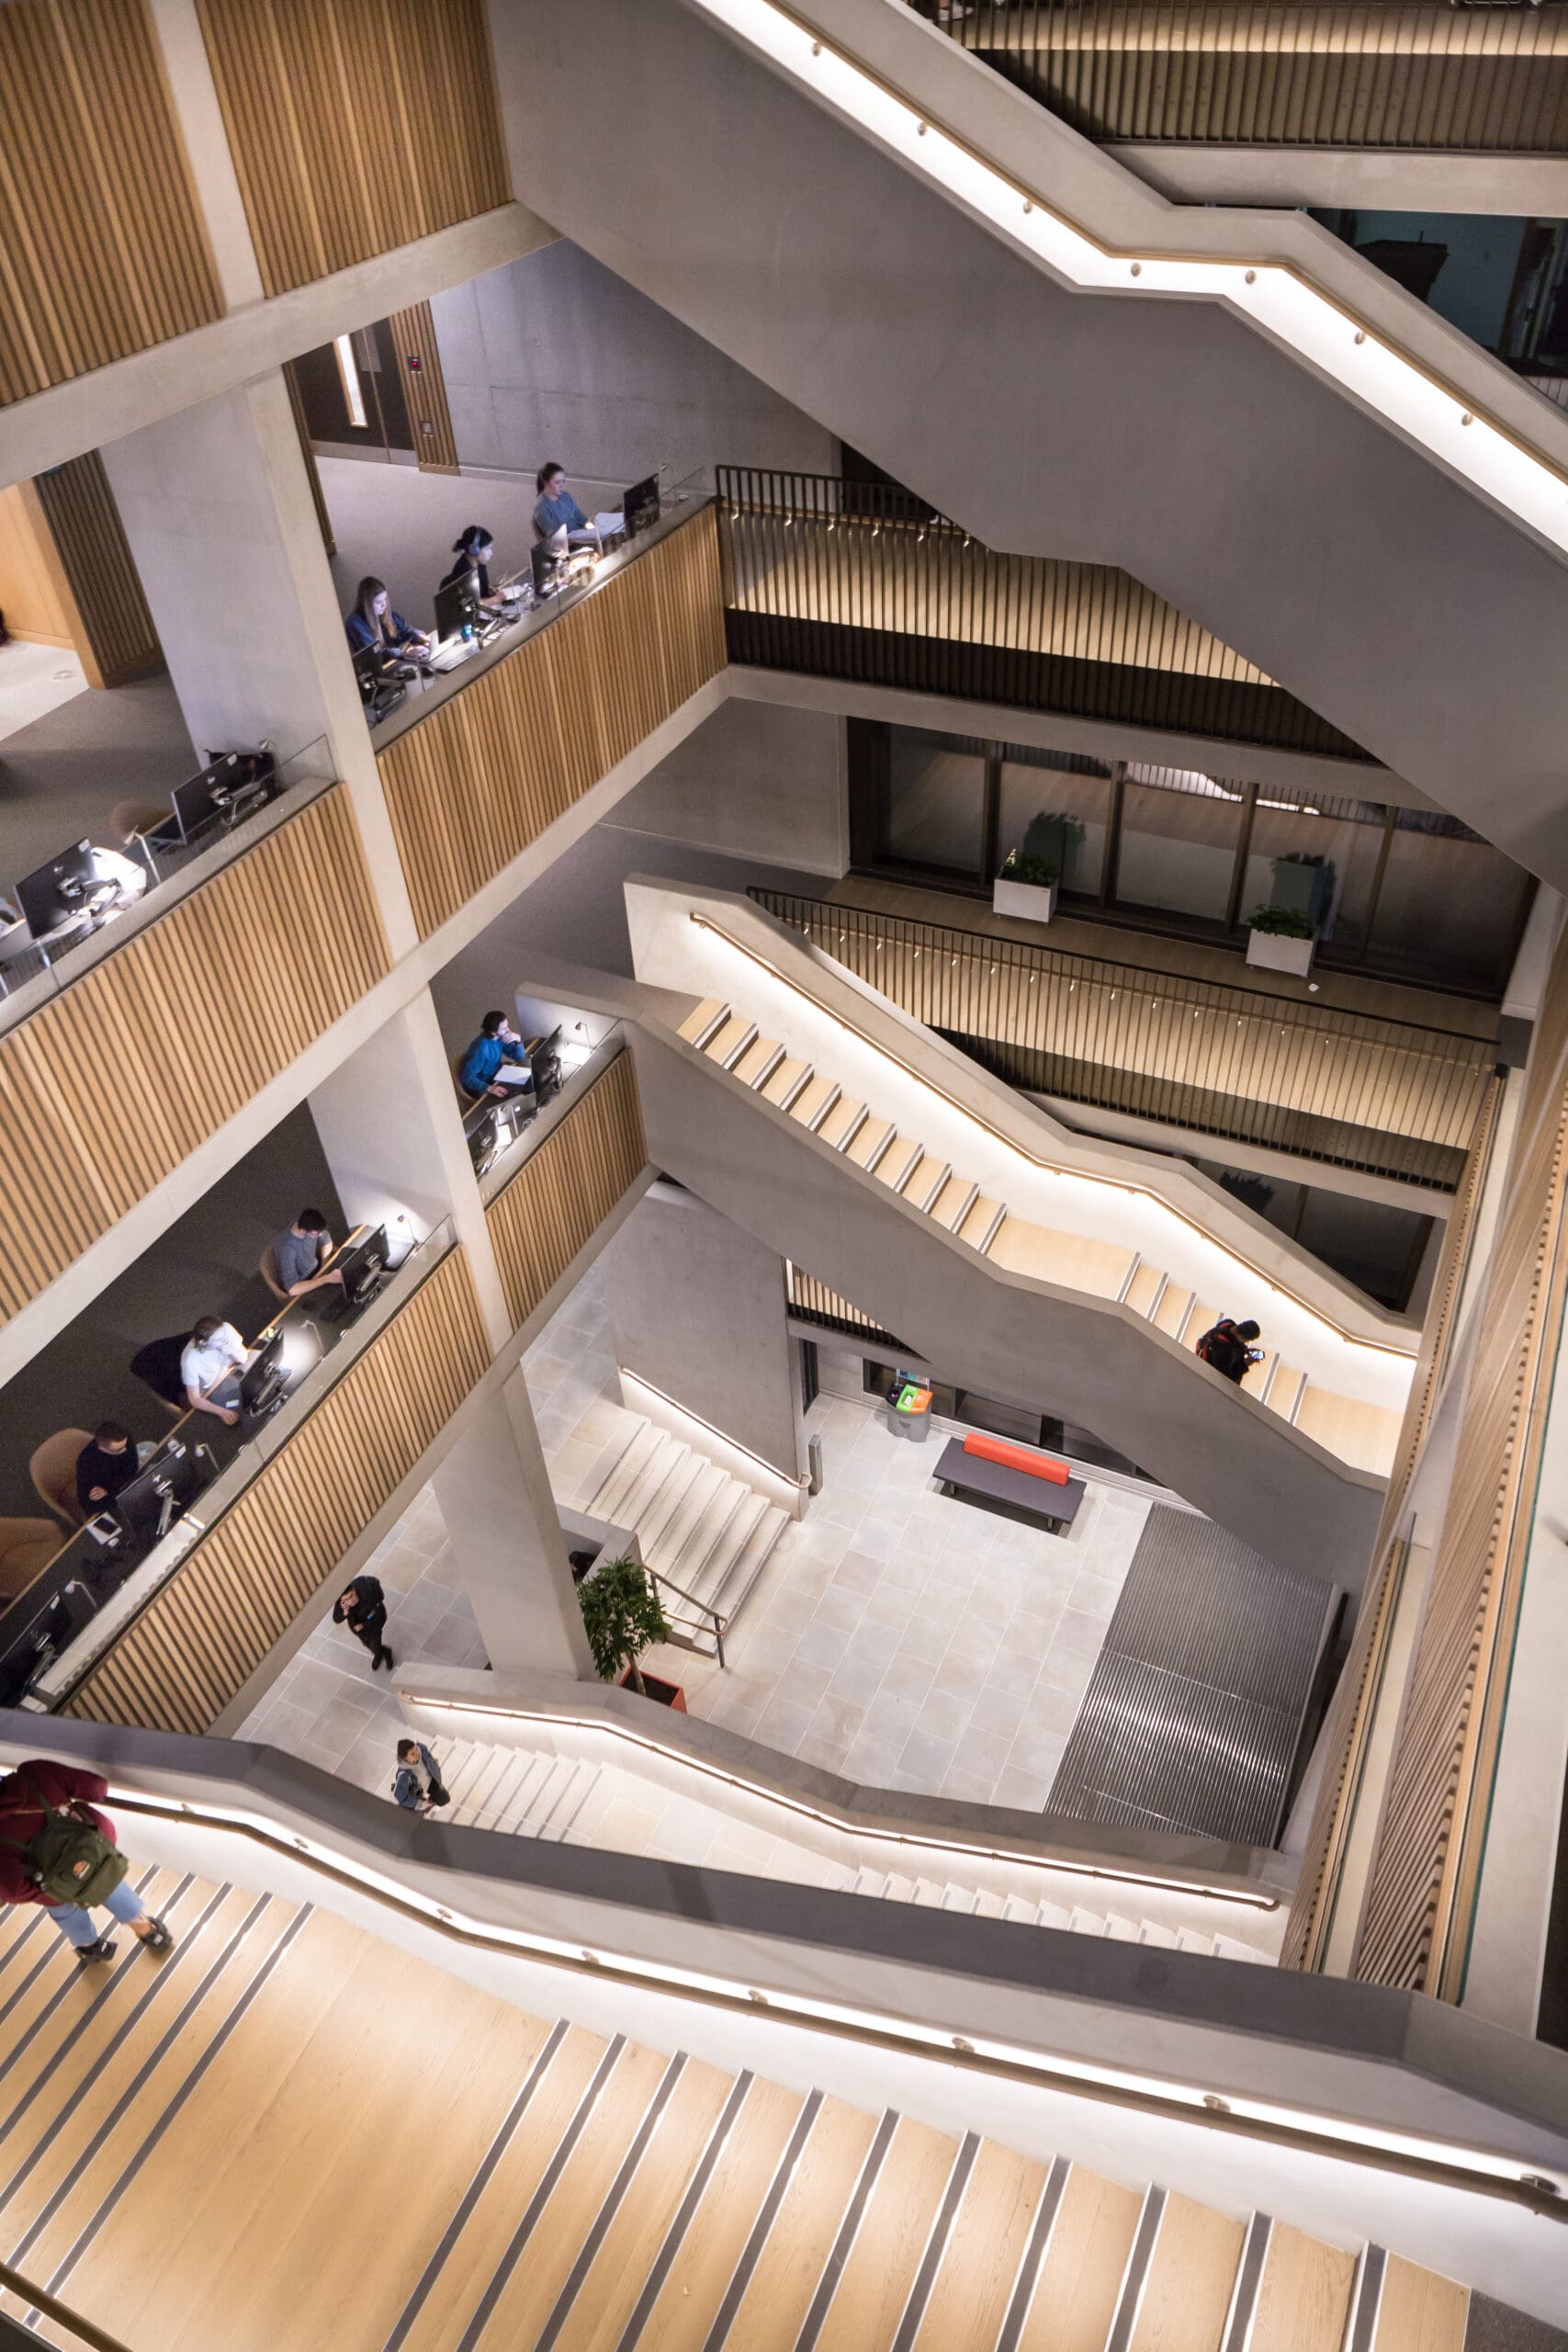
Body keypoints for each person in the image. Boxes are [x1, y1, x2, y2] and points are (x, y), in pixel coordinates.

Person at [0, 1758, 174, 1963]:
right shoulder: (35, 1773)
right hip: (96, 1852)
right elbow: (96, 1787)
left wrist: (50, 1889)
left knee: (64, 1911)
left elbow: (12, 1891)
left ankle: (91, 1947)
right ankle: (149, 1933)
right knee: (109, 1885)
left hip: (54, 1889)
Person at [344, 576, 431, 668]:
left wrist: (421, 637)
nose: (383, 605)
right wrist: (405, 652)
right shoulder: (355, 623)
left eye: (385, 599)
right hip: (381, 670)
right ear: (367, 604)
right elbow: (375, 655)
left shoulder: (386, 613)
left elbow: (405, 631)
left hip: (398, 663)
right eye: (378, 602)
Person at [180, 1315, 249, 1426]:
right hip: (214, 1389)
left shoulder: (225, 1329)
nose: (225, 1341)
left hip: (232, 1372)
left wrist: (231, 1351)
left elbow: (244, 1357)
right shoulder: (190, 1360)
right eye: (219, 1340)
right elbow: (194, 1399)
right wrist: (222, 1412)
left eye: (224, 1336)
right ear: (203, 1343)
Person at [458, 1011, 536, 1103]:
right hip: (483, 1084)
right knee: (508, 1101)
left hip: (497, 1074)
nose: (508, 1030)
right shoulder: (481, 1049)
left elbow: (519, 1057)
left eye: (507, 1026)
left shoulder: (500, 1038)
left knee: (529, 1080)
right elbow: (467, 1078)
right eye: (504, 1028)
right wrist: (489, 1088)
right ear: (493, 1032)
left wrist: (518, 1040)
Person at [272, 1208, 345, 1302]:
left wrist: (325, 1267)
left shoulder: (305, 1222)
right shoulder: (288, 1250)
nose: (320, 1235)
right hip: (305, 1281)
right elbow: (292, 1289)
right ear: (303, 1231)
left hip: (317, 1269)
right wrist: (325, 1279)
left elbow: (326, 1239)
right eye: (317, 1234)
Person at [75, 1421, 141, 1516]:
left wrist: (110, 1489)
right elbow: (90, 1504)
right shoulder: (86, 1464)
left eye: (125, 1445)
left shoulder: (123, 1439)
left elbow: (133, 1467)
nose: (125, 1450)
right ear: (102, 1448)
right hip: (113, 1504)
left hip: (124, 1487)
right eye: (118, 1450)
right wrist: (110, 1492)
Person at [532, 463, 599, 551]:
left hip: (583, 539)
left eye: (563, 481)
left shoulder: (565, 496)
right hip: (570, 548)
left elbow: (580, 517)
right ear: (546, 483)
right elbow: (555, 538)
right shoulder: (541, 509)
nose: (561, 485)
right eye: (557, 482)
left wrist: (590, 523)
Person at [333, 1575, 393, 1672]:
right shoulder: (342, 1602)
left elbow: (377, 1612)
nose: (350, 1601)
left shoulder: (367, 1592)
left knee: (374, 1645)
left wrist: (364, 1625)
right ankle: (379, 1652)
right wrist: (345, 1613)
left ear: (354, 1590)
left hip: (373, 1624)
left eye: (351, 1596)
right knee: (366, 1644)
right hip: (359, 1630)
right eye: (346, 1600)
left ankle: (384, 1652)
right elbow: (336, 1618)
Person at [439, 525, 503, 611]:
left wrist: (489, 589)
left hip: (486, 612)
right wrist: (495, 600)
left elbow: (479, 588)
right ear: (474, 550)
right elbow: (470, 606)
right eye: (488, 549)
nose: (491, 553)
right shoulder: (462, 572)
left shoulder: (480, 564)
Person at [1194, 1317, 1264, 1385]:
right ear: (1243, 1338)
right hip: (1209, 1376)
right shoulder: (1225, 1352)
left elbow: (1232, 1340)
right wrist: (1246, 1363)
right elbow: (1227, 1379)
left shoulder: (1227, 1323)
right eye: (1247, 1341)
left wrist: (1244, 1349)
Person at [392, 1739, 449, 1813]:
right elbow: (402, 1797)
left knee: (445, 1798)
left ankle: (430, 1804)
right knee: (415, 1815)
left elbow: (429, 1759)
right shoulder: (403, 1775)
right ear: (405, 1758)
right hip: (417, 1791)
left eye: (416, 1749)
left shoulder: (422, 1749)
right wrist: (421, 1804)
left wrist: (434, 1765)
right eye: (412, 1754)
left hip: (430, 1781)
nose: (417, 1753)